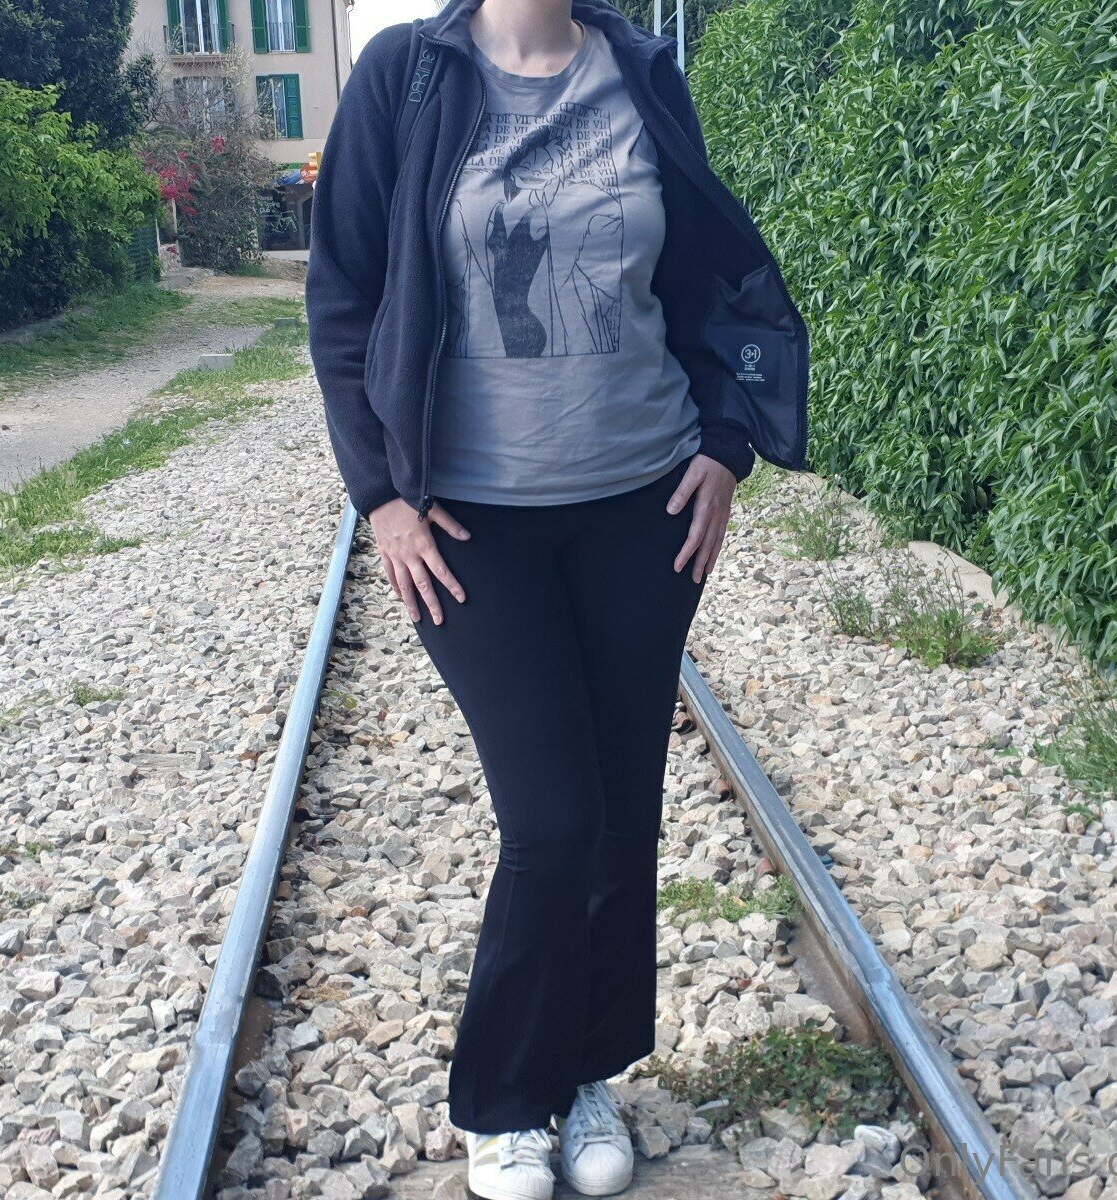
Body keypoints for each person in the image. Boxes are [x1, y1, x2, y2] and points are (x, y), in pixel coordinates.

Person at [307, 2, 808, 1196]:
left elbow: (707, 275)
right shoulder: (406, 74)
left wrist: (726, 443)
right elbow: (343, 297)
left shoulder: (641, 70)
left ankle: (587, 1075)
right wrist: (381, 498)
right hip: (472, 527)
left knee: (622, 809)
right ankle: (501, 1100)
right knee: (550, 819)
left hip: (641, 507)